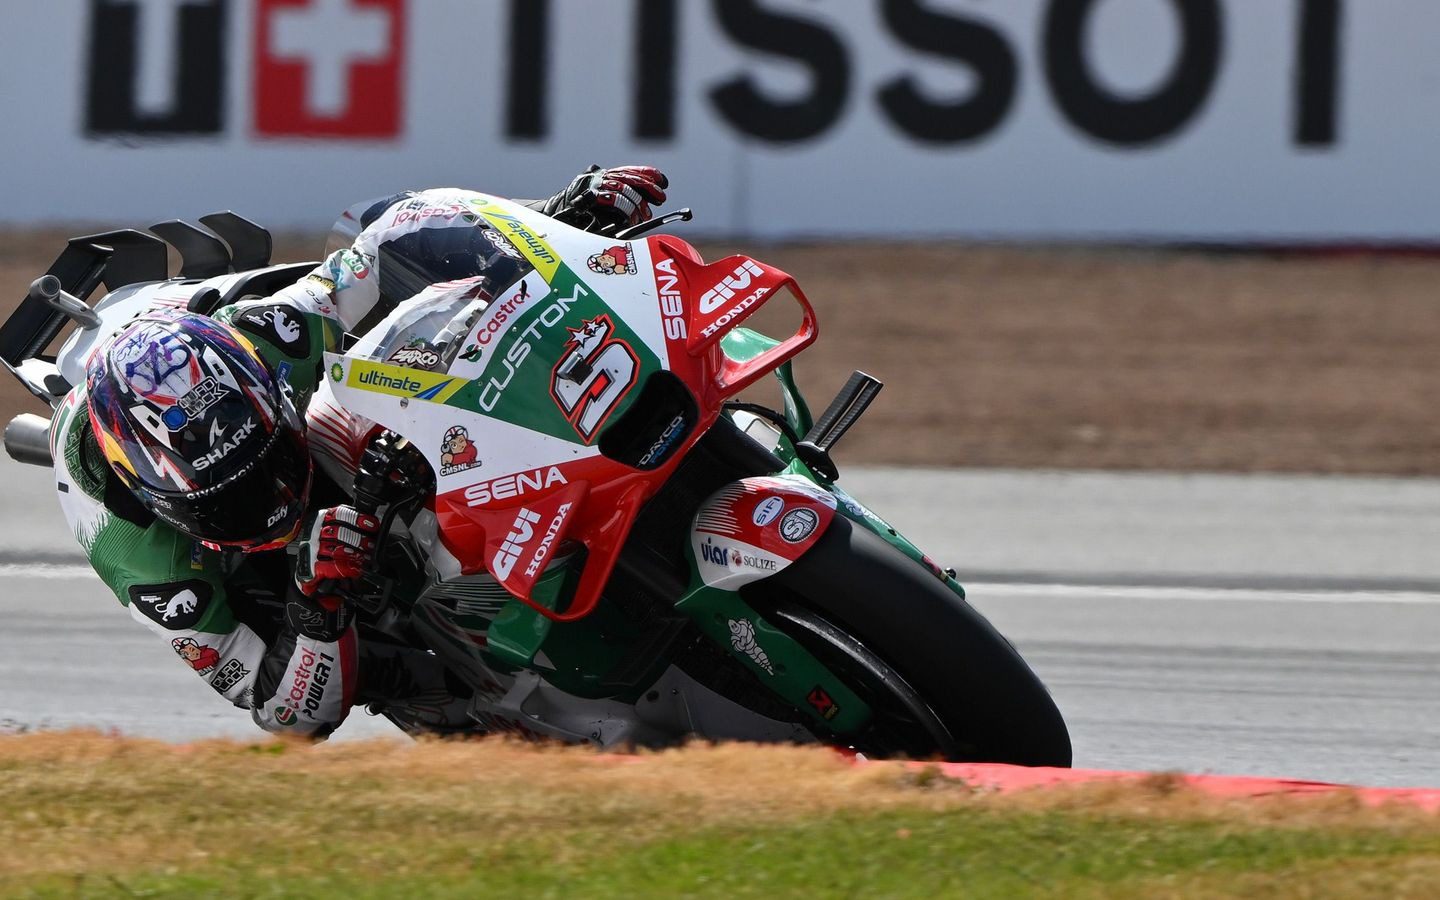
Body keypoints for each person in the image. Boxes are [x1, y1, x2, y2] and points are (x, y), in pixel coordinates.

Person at [51, 165, 670, 737]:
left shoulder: (278, 337)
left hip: (236, 343)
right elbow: (280, 716)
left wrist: (557, 213)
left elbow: (396, 234)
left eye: (266, 470)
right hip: (228, 546)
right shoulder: (139, 554)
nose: (272, 507)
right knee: (434, 696)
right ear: (154, 496)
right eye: (229, 501)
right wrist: (315, 609)